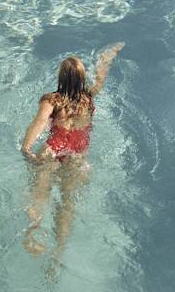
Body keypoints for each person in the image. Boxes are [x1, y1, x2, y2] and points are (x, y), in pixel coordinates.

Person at [20, 43, 123, 272]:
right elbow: (100, 79)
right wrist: (107, 57)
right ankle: (58, 253)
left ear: (60, 77)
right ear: (81, 78)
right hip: (76, 156)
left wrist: (26, 147)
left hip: (52, 151)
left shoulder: (51, 100)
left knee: (39, 193)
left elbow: (39, 122)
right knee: (67, 204)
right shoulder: (89, 98)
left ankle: (34, 230)